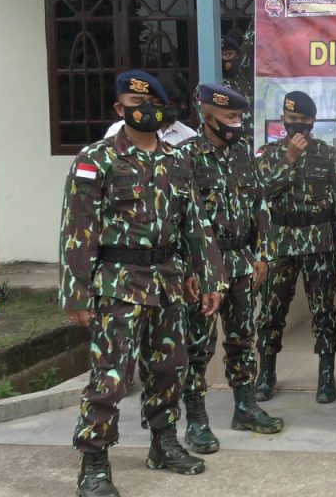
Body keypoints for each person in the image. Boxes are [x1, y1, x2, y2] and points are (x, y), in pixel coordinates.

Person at [60, 70, 226, 497]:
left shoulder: (177, 160)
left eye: (153, 104)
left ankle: (164, 444)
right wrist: (77, 293)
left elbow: (196, 224)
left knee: (169, 369)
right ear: (120, 109)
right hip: (118, 284)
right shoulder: (96, 159)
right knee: (111, 377)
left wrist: (209, 278)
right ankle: (94, 464)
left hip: (167, 281)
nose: (146, 111)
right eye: (136, 105)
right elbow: (78, 229)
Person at [178, 84, 284, 455]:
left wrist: (264, 253)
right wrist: (191, 269)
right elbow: (181, 218)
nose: (237, 124)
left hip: (240, 260)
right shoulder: (186, 156)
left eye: (239, 117)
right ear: (208, 117)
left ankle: (245, 407)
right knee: (198, 345)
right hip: (204, 267)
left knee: (241, 339)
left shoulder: (242, 153)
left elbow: (260, 205)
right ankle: (196, 420)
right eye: (230, 117)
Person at [254, 91, 336, 404]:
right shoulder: (268, 154)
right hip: (281, 241)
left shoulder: (328, 155)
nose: (298, 125)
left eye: (304, 120)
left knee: (324, 310)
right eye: (293, 120)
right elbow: (260, 193)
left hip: (319, 240)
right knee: (272, 309)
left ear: (313, 121)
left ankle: (326, 375)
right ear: (283, 119)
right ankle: (266, 373)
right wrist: (289, 158)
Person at [104, 71, 196, 146]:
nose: (148, 107)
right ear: (120, 109)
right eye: (138, 101)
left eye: (154, 102)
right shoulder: (116, 131)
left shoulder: (188, 135)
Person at [220, 35, 254, 139]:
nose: (225, 59)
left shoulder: (242, 79)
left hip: (253, 141)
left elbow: (249, 43)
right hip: (231, 144)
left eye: (229, 54)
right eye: (223, 55)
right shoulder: (209, 86)